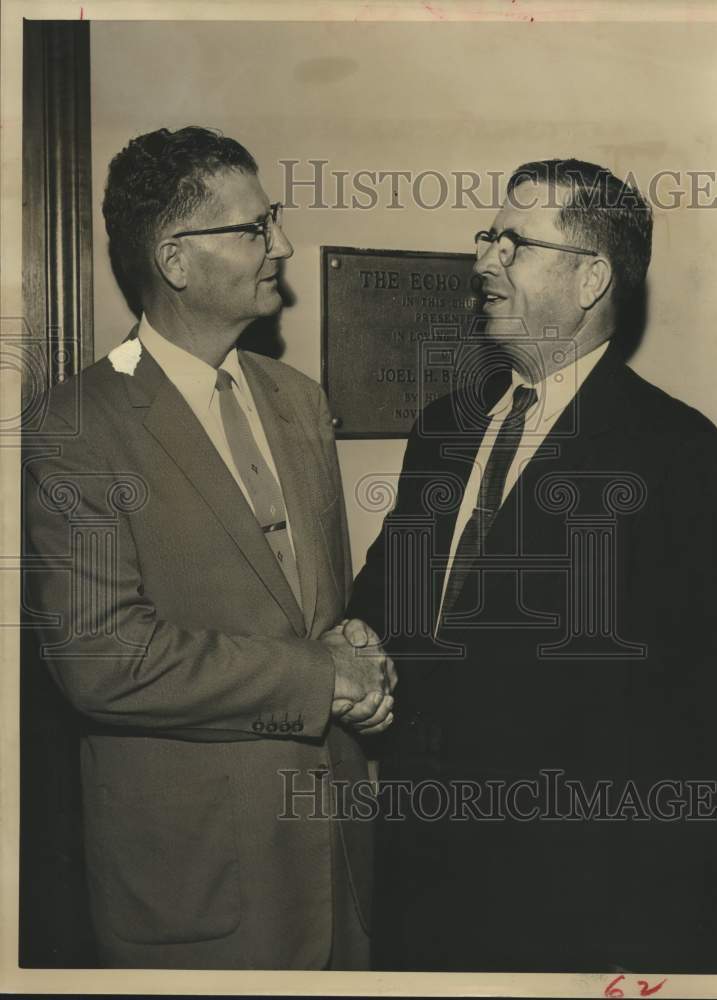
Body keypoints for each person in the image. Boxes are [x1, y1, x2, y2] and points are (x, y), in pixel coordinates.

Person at [23, 126, 395, 970]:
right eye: (254, 229)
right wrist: (320, 677)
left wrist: (356, 658)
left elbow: (313, 618)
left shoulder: (299, 401)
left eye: (276, 220)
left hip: (339, 871)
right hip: (200, 893)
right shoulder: (75, 426)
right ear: (175, 260)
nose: (284, 246)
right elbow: (105, 662)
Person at [348, 159, 717, 973]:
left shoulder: (678, 454)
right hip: (422, 879)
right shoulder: (442, 431)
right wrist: (356, 636)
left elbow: (698, 718)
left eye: (513, 243)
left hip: (576, 902)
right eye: (488, 237)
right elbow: (390, 591)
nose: (483, 259)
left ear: (591, 277)